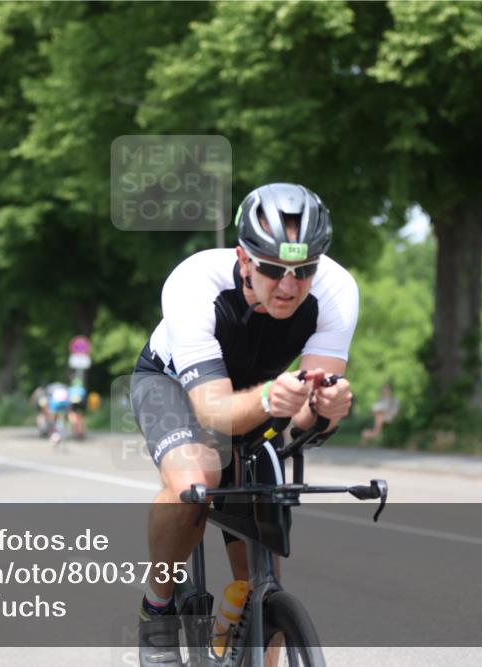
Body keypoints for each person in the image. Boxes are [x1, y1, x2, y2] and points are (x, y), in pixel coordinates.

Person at [129, 183, 357, 665]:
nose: (290, 286)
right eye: (273, 270)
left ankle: (245, 632)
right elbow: (212, 412)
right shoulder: (195, 283)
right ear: (244, 257)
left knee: (258, 582)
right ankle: (158, 610)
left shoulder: (337, 291)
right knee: (199, 480)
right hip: (175, 385)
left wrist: (325, 409)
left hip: (258, 392)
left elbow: (303, 421)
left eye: (304, 272)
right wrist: (277, 397)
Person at [46, 381, 71, 450]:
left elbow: (50, 403)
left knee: (53, 421)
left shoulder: (52, 390)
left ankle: (54, 434)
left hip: (56, 404)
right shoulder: (65, 389)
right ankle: (67, 426)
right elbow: (69, 401)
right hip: (65, 404)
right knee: (65, 419)